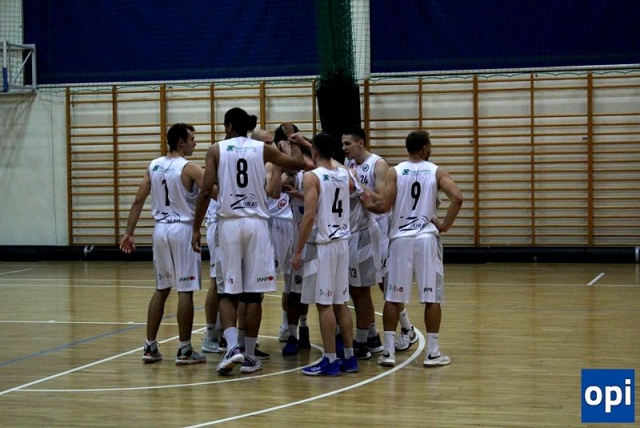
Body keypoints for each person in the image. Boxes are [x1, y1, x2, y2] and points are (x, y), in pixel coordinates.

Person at [191, 107, 307, 375]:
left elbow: (206, 191)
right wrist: (293, 140)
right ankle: (250, 355)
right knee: (253, 295)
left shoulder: (216, 150)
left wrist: (196, 228)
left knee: (227, 292)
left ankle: (233, 347)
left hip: (229, 224)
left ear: (229, 126)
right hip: (256, 224)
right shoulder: (262, 149)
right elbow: (298, 164)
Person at [361, 130, 463, 368]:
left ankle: (388, 352)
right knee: (431, 298)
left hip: (400, 240)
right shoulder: (436, 171)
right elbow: (457, 197)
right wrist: (445, 225)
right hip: (426, 239)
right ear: (425, 148)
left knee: (393, 297)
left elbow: (384, 206)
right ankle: (433, 353)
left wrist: (369, 205)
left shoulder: (395, 171)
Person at [120, 122, 206, 365]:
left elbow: (138, 200)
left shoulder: (154, 165)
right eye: (192, 138)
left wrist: (128, 233)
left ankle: (150, 346)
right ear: (181, 142)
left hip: (160, 231)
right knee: (185, 290)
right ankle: (185, 349)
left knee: (161, 288)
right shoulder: (190, 168)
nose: (195, 142)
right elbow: (215, 192)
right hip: (183, 230)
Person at [291, 132, 358, 376]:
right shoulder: (344, 174)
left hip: (324, 245)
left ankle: (330, 360)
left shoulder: (312, 176)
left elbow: (309, 216)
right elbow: (349, 181)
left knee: (324, 304)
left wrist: (298, 251)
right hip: (342, 243)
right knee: (341, 303)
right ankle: (349, 357)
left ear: (314, 152)